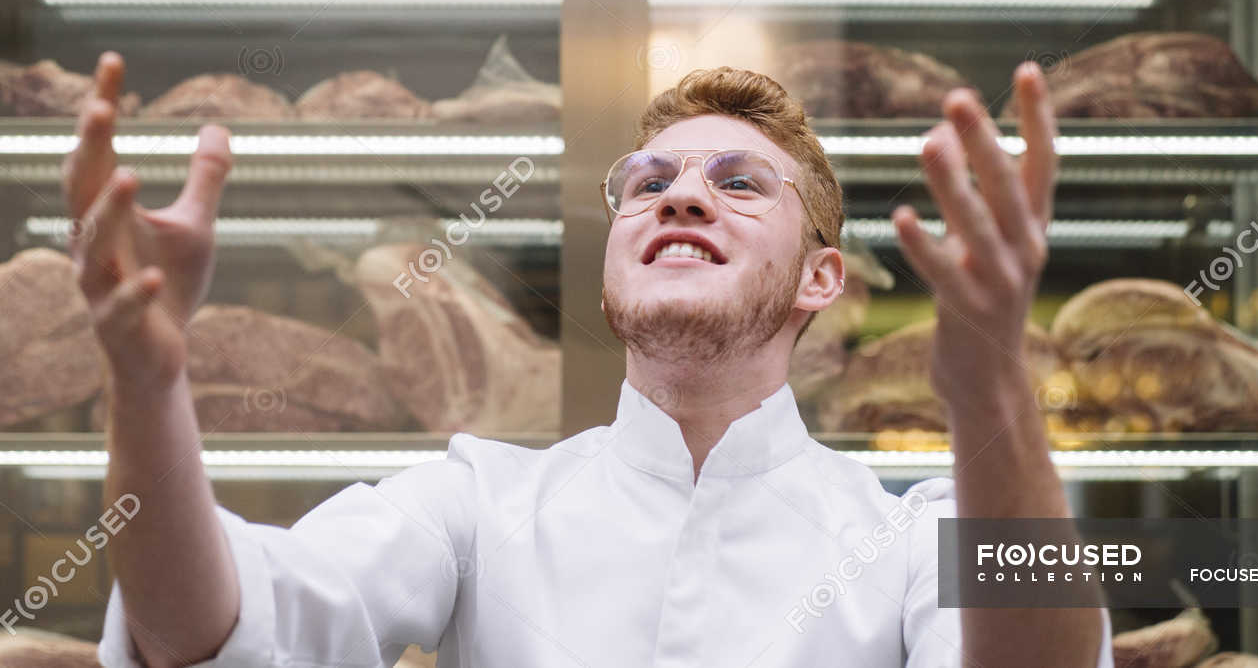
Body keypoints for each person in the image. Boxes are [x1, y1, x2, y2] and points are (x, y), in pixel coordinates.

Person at [67, 51, 1113, 668]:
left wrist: (989, 388)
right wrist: (148, 384)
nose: (681, 193)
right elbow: (211, 630)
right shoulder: (475, 501)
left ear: (822, 279)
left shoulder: (911, 531)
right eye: (650, 179)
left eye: (742, 182)